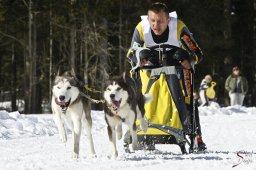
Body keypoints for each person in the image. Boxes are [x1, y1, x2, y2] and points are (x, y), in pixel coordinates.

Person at [125, 2, 207, 152]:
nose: (156, 25)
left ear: (168, 20)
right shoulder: (141, 28)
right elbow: (131, 53)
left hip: (176, 71)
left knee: (188, 98)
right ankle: (145, 132)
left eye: (160, 21)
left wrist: (187, 58)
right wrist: (139, 57)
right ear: (148, 19)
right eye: (153, 21)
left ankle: (196, 137)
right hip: (151, 73)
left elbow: (197, 53)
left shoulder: (179, 28)